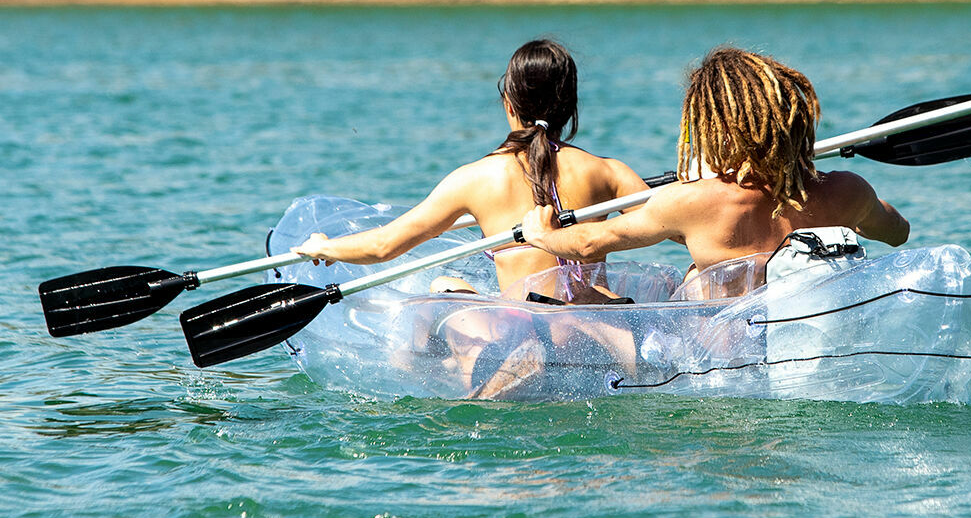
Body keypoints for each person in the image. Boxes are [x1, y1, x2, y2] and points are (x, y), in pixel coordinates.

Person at [294, 39, 648, 398]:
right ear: (571, 107)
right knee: (595, 298)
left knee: (443, 286)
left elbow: (384, 245)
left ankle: (449, 368)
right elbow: (669, 223)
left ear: (508, 104)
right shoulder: (607, 172)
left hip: (527, 334)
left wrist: (326, 247)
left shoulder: (476, 178)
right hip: (595, 334)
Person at [520, 46, 909, 279]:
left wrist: (542, 234)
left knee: (693, 279)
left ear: (715, 130)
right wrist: (854, 212)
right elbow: (898, 232)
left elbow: (588, 243)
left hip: (734, 369)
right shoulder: (848, 190)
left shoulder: (691, 201)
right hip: (819, 348)